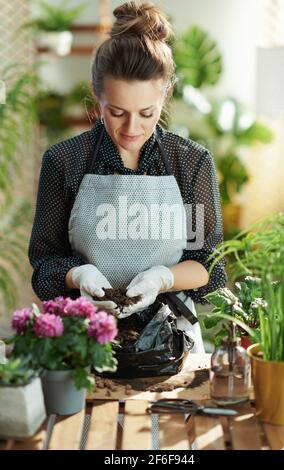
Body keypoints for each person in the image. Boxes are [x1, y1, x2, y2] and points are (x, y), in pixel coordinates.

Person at [28, 1, 227, 357]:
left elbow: (209, 267)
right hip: (86, 341)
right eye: (116, 112)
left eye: (146, 113)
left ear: (165, 94)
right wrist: (79, 275)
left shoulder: (190, 163)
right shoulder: (64, 161)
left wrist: (162, 278)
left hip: (170, 340)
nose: (131, 128)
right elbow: (44, 268)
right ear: (96, 97)